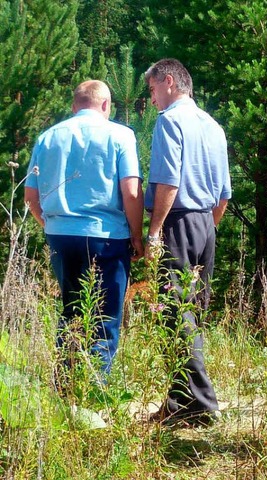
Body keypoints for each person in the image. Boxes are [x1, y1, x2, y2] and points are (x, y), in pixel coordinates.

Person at [24, 80, 144, 377]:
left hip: (60, 236)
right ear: (106, 105)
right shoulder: (121, 135)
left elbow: (31, 197)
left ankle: (65, 384)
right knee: (104, 318)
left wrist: (52, 225)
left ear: (74, 105)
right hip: (107, 237)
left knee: (72, 311)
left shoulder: (48, 137)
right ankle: (93, 391)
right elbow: (130, 192)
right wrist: (137, 235)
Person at [144, 58, 231, 425]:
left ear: (168, 81)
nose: (151, 101)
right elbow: (225, 193)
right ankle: (180, 402)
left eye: (151, 91)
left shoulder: (170, 121)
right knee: (190, 310)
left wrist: (154, 232)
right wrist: (207, 227)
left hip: (178, 220)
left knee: (177, 314)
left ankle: (200, 403)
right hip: (206, 223)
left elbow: (168, 182)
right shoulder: (213, 126)